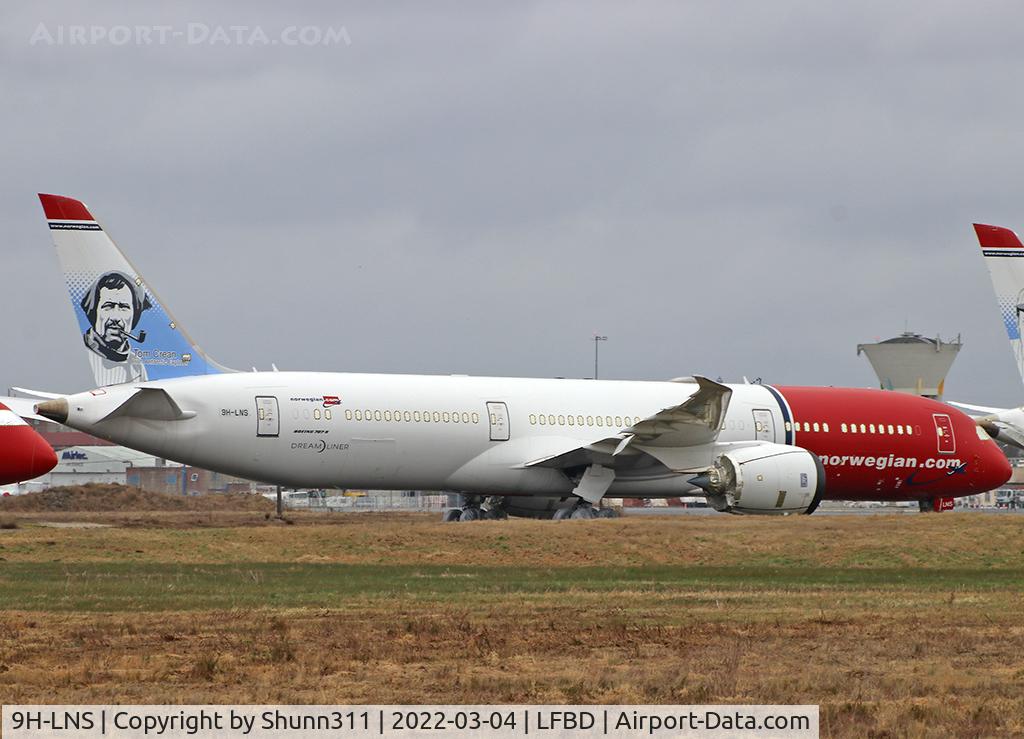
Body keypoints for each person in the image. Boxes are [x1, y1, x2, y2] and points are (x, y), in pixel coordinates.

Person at [80, 270, 152, 385]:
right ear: (94, 312)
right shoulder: (83, 358)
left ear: (135, 316)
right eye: (108, 306)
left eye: (124, 307)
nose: (115, 317)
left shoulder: (136, 364)